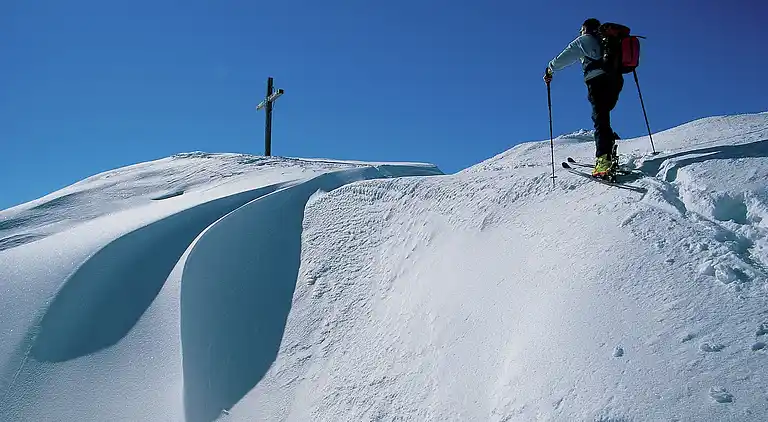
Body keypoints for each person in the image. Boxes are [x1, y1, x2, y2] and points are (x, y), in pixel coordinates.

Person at [544, 18, 624, 179]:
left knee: (600, 118)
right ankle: (608, 144)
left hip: (597, 82)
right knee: (603, 115)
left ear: (584, 29)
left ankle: (603, 159)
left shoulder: (584, 40)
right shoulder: (608, 40)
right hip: (616, 80)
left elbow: (563, 58)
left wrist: (549, 69)